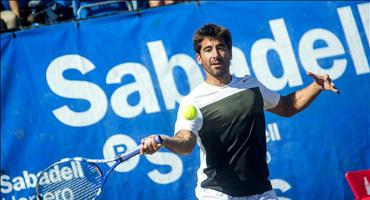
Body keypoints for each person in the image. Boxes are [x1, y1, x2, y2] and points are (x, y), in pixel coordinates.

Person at [140, 23, 339, 200]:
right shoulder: (192, 102)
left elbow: (287, 106)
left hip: (261, 190)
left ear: (230, 53)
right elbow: (186, 143)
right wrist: (163, 140)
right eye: (208, 50)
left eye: (221, 48)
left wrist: (317, 86)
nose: (216, 55)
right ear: (199, 58)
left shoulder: (251, 86)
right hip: (218, 194)